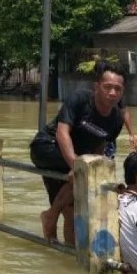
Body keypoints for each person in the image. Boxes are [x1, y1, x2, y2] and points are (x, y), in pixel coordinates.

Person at [30, 62, 127, 244]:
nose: (112, 93)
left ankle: (66, 256)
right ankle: (51, 216)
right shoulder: (80, 99)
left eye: (117, 89)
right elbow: (62, 132)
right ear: (96, 86)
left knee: (72, 211)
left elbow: (100, 148)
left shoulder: (117, 119)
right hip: (47, 147)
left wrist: (87, 167)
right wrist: (77, 166)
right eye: (107, 87)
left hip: (76, 159)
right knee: (83, 175)